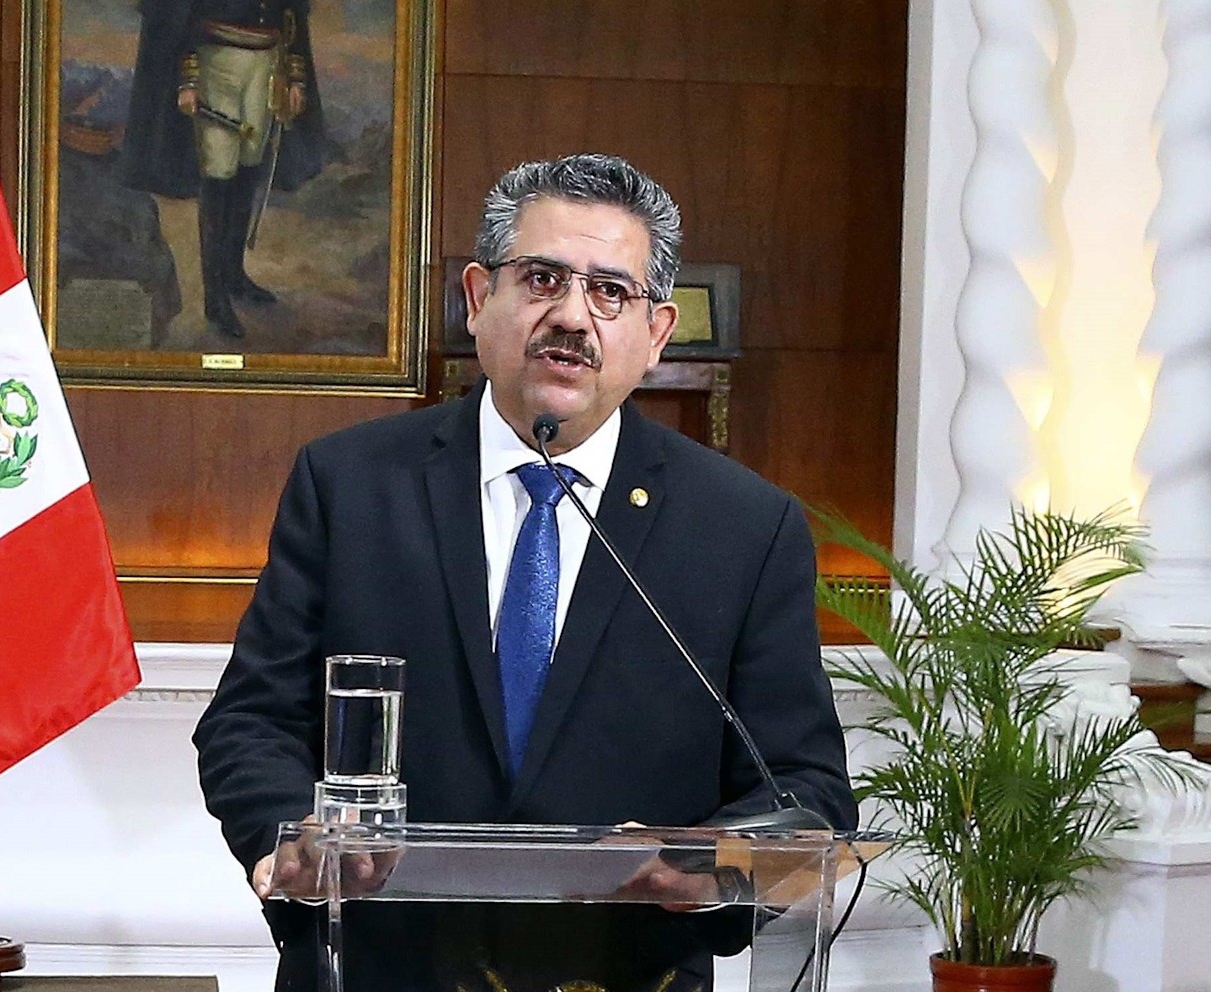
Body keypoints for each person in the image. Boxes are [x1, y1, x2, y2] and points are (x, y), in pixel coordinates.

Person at [194, 152, 857, 991]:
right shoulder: (351, 484)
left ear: (656, 334)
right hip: (380, 967)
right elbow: (250, 720)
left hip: (626, 972)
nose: (572, 317)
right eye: (543, 279)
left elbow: (805, 787)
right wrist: (290, 834)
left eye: (610, 292)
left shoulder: (744, 527)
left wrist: (706, 869)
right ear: (479, 299)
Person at [121, 0, 325, 342]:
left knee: (249, 168)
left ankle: (233, 276)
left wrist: (295, 78)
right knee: (219, 172)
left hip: (266, 64)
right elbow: (180, 13)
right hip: (216, 64)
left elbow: (291, 15)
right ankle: (215, 298)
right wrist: (188, 80)